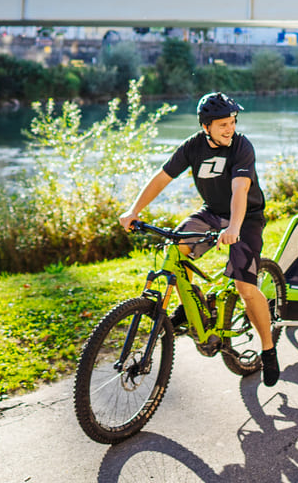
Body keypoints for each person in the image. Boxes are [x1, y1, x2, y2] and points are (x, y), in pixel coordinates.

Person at [120, 92, 280, 386]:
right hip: (210, 213)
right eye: (222, 124)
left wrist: (233, 227)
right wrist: (134, 210)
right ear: (206, 126)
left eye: (232, 122)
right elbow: (162, 177)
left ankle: (268, 349)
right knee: (175, 248)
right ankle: (190, 306)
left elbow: (240, 191)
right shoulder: (193, 147)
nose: (229, 128)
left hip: (244, 217)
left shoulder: (241, 146)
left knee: (245, 287)